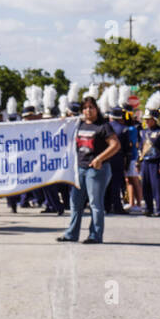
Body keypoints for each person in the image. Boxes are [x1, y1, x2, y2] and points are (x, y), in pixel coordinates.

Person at [57, 96, 118, 244]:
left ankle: (95, 235)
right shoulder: (79, 124)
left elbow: (115, 145)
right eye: (85, 108)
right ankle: (71, 234)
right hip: (79, 168)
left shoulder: (103, 126)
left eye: (91, 107)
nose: (88, 110)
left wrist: (100, 158)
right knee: (75, 203)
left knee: (95, 204)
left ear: (96, 109)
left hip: (97, 170)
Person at [138, 109, 160, 217]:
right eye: (145, 119)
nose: (146, 121)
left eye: (149, 119)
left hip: (156, 162)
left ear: (154, 120)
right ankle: (148, 208)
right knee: (145, 186)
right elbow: (141, 148)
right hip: (145, 162)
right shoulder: (143, 132)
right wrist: (138, 162)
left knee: (157, 187)